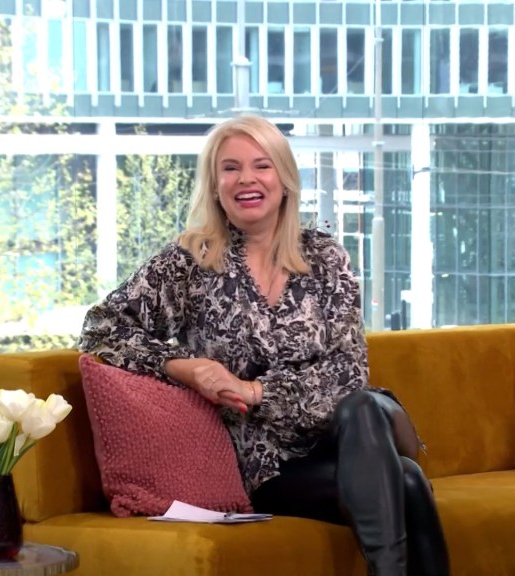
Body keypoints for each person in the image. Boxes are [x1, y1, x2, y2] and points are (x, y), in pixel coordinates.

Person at [78, 115, 450, 576]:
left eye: (262, 165)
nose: (246, 179)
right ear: (215, 185)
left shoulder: (325, 257)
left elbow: (348, 372)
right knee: (407, 482)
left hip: (350, 431)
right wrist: (184, 366)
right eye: (230, 168)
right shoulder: (189, 263)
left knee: (362, 406)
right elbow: (101, 328)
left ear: (284, 178)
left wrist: (255, 391)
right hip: (269, 464)